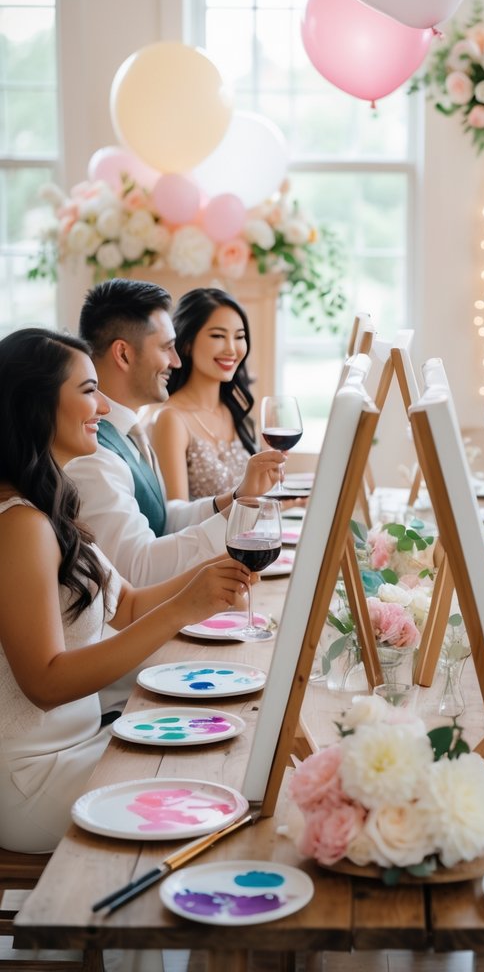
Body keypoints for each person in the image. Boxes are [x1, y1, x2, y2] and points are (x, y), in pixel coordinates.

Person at [0, 328, 252, 853]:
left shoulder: (48, 504)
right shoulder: (19, 525)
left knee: (222, 745)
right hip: (33, 779)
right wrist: (184, 607)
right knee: (220, 773)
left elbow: (129, 604)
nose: (104, 403)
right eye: (89, 389)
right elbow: (44, 683)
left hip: (79, 747)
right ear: (37, 402)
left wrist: (219, 570)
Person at [66, 279, 282, 586]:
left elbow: (165, 518)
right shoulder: (93, 454)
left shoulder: (129, 429)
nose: (176, 361)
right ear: (123, 354)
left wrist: (237, 498)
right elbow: (138, 569)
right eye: (167, 347)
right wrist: (231, 524)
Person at [151, 288, 257, 501]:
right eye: (218, 336)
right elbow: (176, 519)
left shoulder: (233, 408)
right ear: (188, 344)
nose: (231, 349)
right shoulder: (171, 419)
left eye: (239, 336)